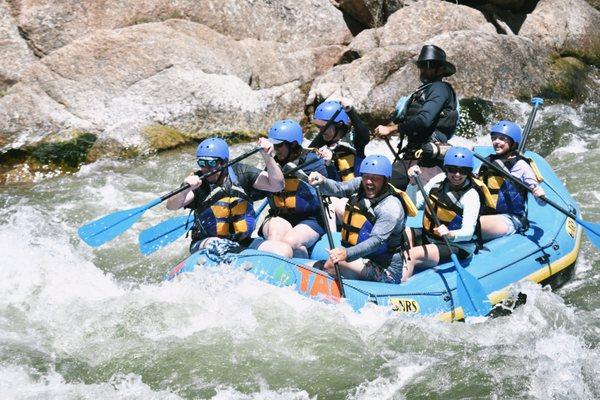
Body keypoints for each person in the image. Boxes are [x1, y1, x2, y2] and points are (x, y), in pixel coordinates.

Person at [166, 137, 292, 257]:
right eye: (201, 163)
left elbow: (277, 186)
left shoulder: (242, 173)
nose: (206, 168)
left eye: (211, 163)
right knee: (220, 245)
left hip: (243, 242)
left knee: (284, 250)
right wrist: (184, 188)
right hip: (207, 242)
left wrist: (268, 157)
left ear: (224, 162)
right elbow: (171, 206)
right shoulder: (197, 182)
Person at [307, 155, 416, 284]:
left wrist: (347, 253)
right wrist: (323, 181)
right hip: (362, 259)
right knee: (313, 266)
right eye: (366, 177)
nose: (369, 182)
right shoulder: (360, 184)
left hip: (386, 271)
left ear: (386, 180)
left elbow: (376, 241)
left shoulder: (390, 207)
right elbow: (338, 188)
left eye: (375, 179)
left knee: (332, 264)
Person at [374, 44, 459, 190]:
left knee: (386, 188)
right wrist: (389, 127)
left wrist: (392, 130)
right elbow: (410, 118)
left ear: (440, 69)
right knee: (384, 186)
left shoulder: (440, 88)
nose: (423, 70)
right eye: (421, 65)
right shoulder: (422, 91)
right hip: (412, 153)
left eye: (428, 66)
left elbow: (424, 120)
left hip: (429, 156)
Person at [403, 147, 493, 282]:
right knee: (400, 233)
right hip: (431, 237)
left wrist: (450, 234)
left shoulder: (471, 195)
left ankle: (398, 291)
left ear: (468, 172)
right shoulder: (439, 180)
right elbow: (413, 207)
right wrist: (412, 183)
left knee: (412, 255)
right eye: (452, 169)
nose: (457, 174)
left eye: (463, 171)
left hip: (457, 246)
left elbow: (468, 231)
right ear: (446, 168)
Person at [260, 119, 328, 258]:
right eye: (273, 145)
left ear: (293, 145)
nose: (275, 149)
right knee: (275, 240)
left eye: (278, 146)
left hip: (311, 219)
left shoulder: (314, 162)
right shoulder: (273, 163)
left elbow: (330, 190)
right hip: (281, 215)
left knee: (290, 242)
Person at [475, 121, 545, 241]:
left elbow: (541, 202)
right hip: (486, 213)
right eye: (494, 138)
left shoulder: (521, 165)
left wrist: (540, 195)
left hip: (511, 218)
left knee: (473, 224)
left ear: (513, 143)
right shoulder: (487, 162)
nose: (496, 142)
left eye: (502, 139)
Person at [311, 99, 371, 222]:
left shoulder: (355, 140)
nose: (321, 131)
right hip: (335, 195)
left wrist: (350, 111)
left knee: (333, 204)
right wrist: (328, 164)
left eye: (324, 127)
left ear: (339, 125)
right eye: (318, 127)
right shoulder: (320, 143)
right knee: (329, 203)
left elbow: (364, 134)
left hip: (358, 194)